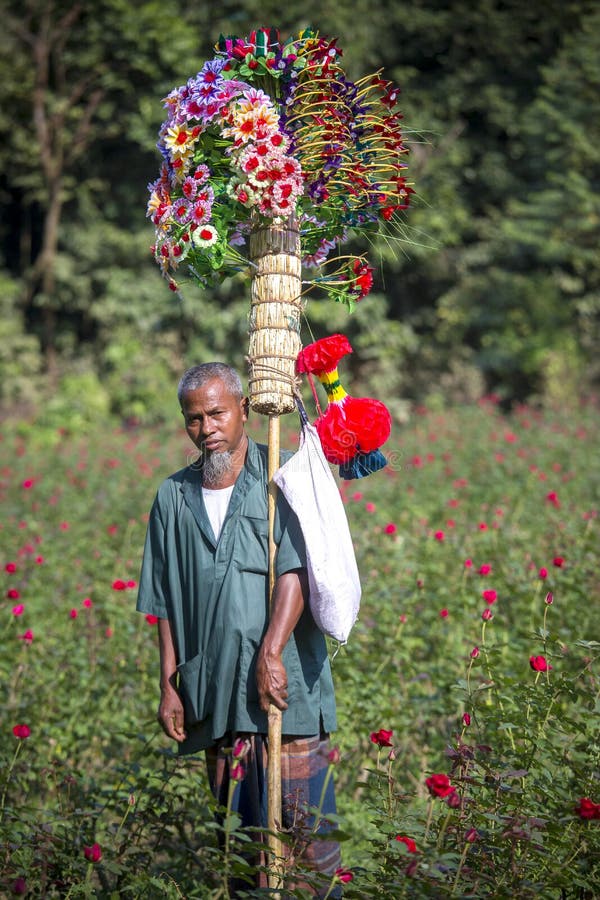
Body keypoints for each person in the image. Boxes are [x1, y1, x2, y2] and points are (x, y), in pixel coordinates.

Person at [136, 362, 341, 895]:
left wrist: (272, 651)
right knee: (243, 851)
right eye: (194, 419)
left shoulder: (283, 477)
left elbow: (297, 568)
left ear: (242, 410)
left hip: (283, 691)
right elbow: (162, 599)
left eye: (217, 413)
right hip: (216, 691)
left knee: (309, 849)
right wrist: (168, 685)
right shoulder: (173, 498)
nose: (207, 429)